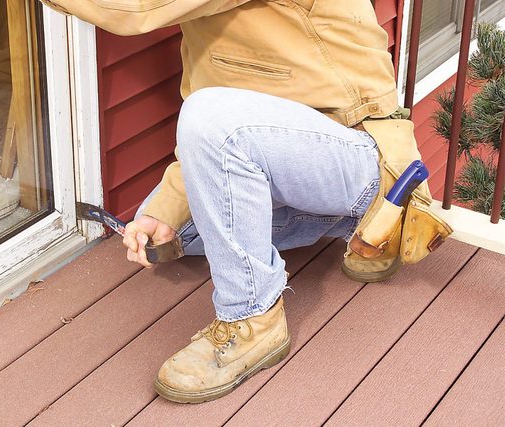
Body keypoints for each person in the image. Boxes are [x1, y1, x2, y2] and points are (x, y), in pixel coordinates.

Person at [40, 0, 452, 404]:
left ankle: (252, 317)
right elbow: (217, 137)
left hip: (361, 157)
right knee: (170, 230)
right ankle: (362, 231)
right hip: (284, 161)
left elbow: (136, 10)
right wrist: (164, 209)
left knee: (209, 119)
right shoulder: (205, 29)